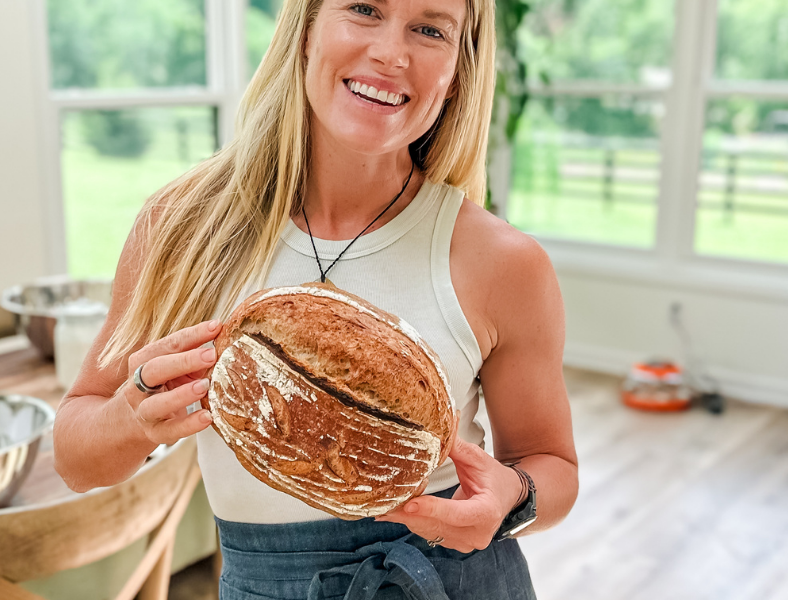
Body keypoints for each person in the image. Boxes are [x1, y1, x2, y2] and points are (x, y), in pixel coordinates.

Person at [53, 0, 578, 597]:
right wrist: (131, 419)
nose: (390, 53)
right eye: (363, 9)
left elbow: (552, 467)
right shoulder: (182, 227)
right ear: (304, 30)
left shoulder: (504, 263)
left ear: (457, 69)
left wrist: (513, 501)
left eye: (430, 29)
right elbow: (74, 457)